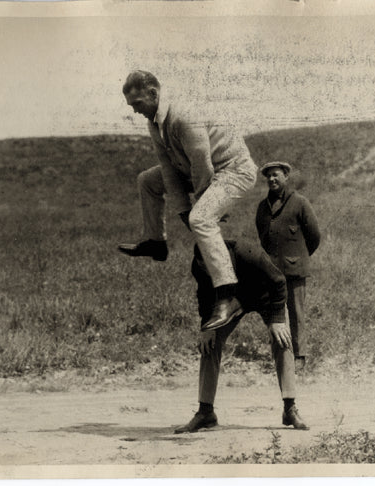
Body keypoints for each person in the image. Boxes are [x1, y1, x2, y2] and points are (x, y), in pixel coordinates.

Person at [119, 70, 257, 330]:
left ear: (153, 93)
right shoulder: (154, 122)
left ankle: (228, 295)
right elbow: (168, 169)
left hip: (232, 169)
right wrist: (182, 209)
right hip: (194, 168)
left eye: (137, 104)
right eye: (131, 106)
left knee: (202, 219)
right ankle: (156, 242)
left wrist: (200, 209)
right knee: (147, 180)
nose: (135, 111)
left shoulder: (183, 115)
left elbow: (202, 165)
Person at [174, 239, 309, 433]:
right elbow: (204, 295)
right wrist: (207, 327)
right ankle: (206, 412)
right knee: (209, 342)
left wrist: (278, 319)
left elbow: (279, 282)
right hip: (232, 302)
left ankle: (290, 408)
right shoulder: (199, 265)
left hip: (266, 297)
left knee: (283, 339)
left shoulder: (248, 253)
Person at [255, 162, 321, 371]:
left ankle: (300, 357)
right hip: (272, 273)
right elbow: (263, 237)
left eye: (276, 175)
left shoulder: (300, 203)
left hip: (295, 271)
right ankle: (280, 354)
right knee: (275, 314)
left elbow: (314, 237)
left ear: (285, 177)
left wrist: (298, 258)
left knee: (296, 313)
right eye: (269, 177)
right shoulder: (263, 207)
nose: (272, 180)